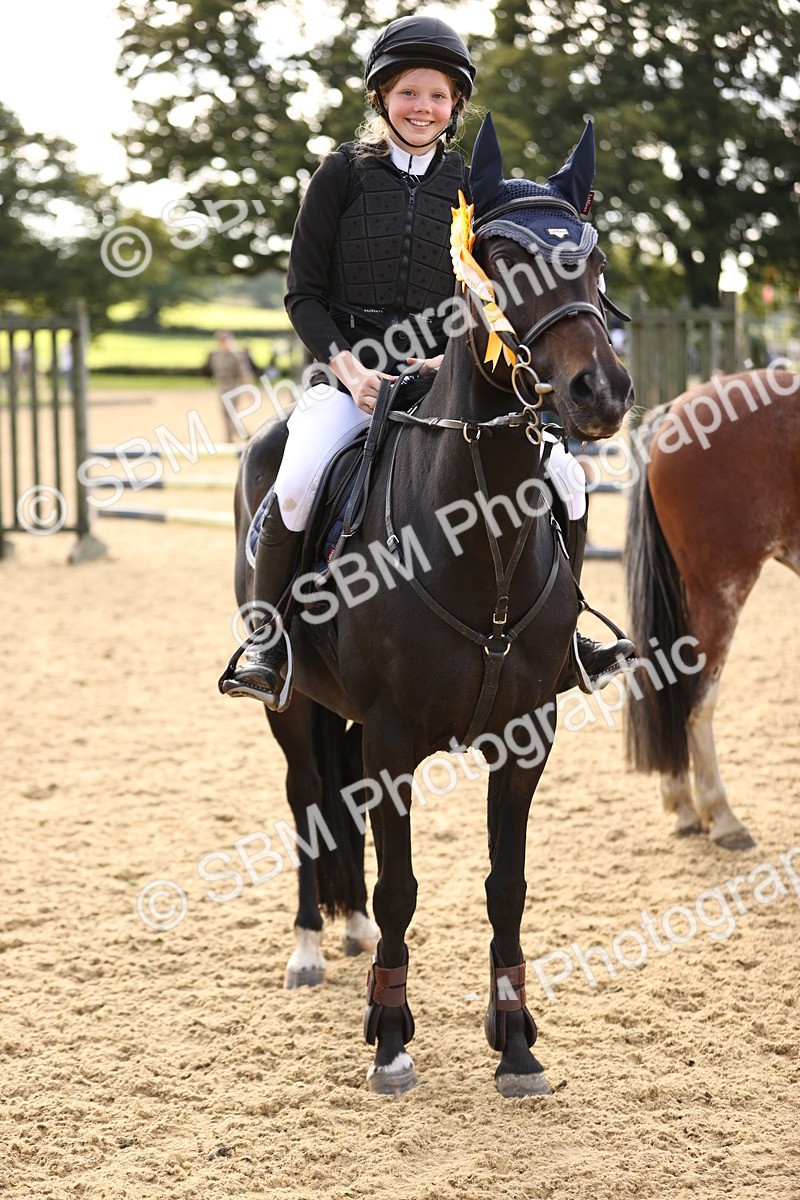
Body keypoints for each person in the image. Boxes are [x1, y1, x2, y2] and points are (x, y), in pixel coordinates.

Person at [227, 14, 632, 707]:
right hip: (350, 377)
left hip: (446, 377)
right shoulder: (339, 176)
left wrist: (450, 358)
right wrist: (349, 368)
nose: (424, 108)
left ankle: (569, 635)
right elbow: (304, 295)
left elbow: (495, 290)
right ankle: (269, 641)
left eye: (439, 96)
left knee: (565, 478)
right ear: (382, 96)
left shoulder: (475, 191)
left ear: (456, 106)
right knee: (293, 481)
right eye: (410, 93)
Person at [204, 331, 258, 442]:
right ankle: (231, 437)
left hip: (235, 386)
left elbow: (245, 373)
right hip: (222, 387)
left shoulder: (237, 355)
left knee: (231, 411)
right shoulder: (215, 355)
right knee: (225, 412)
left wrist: (249, 389)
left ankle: (241, 435)